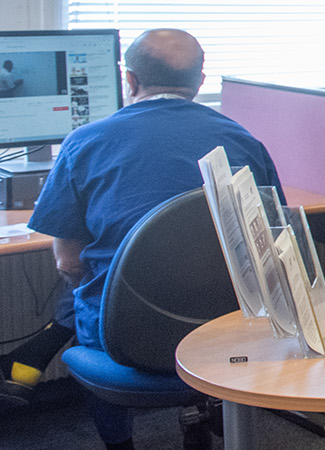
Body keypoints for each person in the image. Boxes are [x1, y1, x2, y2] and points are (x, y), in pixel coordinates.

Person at [23, 29, 280, 450]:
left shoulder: (84, 143)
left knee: (84, 294)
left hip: (124, 335)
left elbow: (67, 263)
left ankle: (119, 443)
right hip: (227, 329)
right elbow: (269, 242)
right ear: (200, 81)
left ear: (130, 80)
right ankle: (206, 417)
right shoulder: (244, 143)